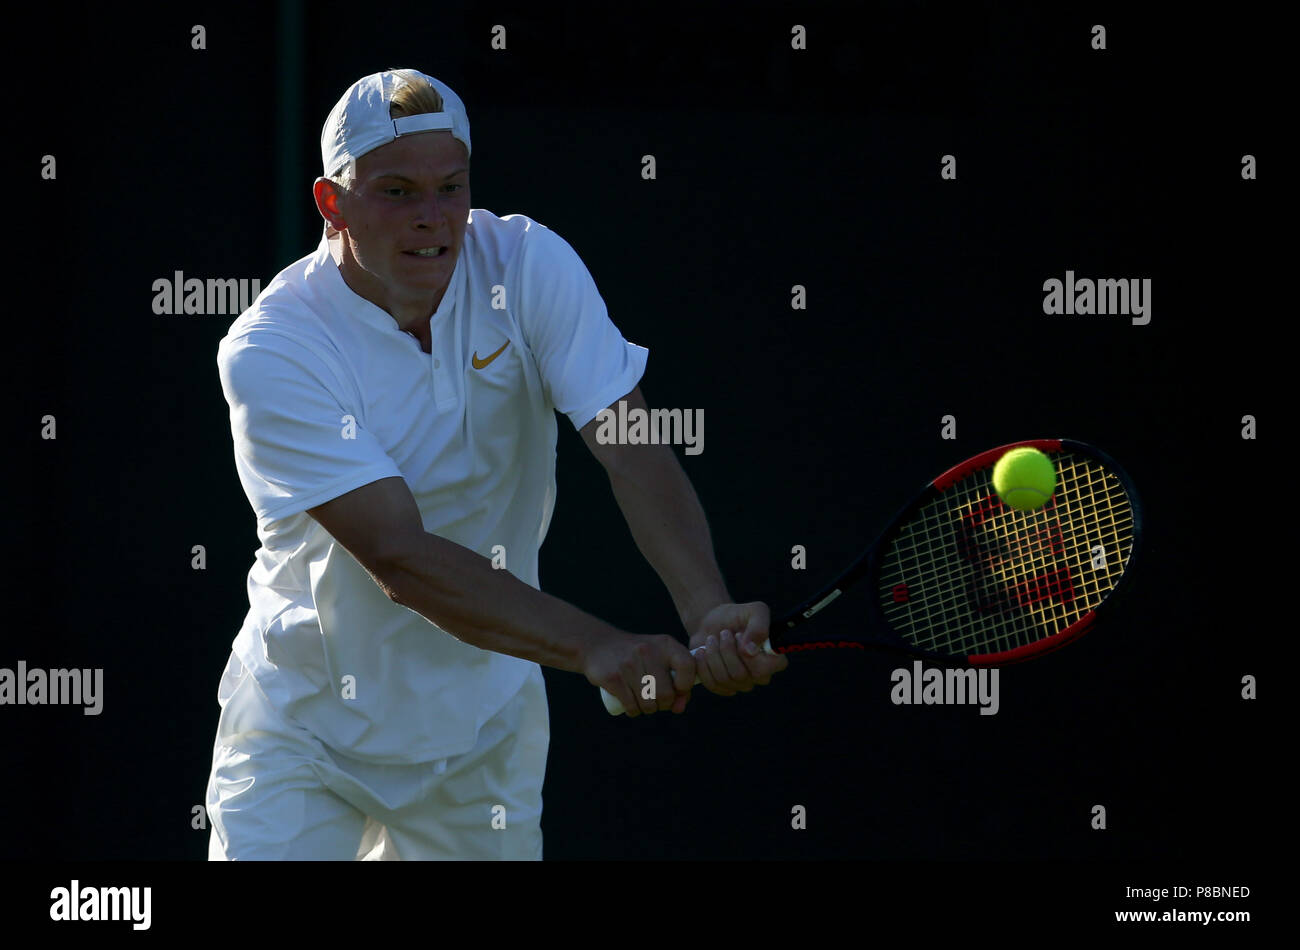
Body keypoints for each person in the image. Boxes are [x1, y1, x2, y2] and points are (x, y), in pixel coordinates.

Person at [204, 68, 786, 861]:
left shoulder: (526, 264)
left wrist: (706, 609)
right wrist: (595, 646)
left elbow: (632, 451)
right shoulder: (273, 349)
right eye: (397, 192)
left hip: (481, 740)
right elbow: (400, 558)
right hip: (303, 735)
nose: (433, 220)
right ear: (331, 204)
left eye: (451, 187)